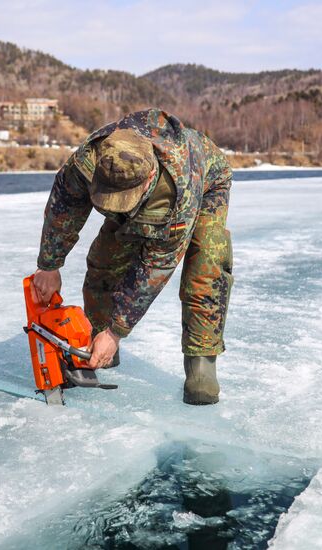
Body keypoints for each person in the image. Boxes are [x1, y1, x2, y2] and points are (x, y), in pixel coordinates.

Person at [33, 108, 233, 405]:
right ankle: (96, 348)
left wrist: (117, 332)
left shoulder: (177, 189)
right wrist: (49, 264)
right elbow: (65, 206)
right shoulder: (90, 159)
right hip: (140, 190)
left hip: (204, 185)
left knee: (207, 265)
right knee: (105, 259)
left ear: (148, 179)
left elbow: (156, 267)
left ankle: (201, 362)